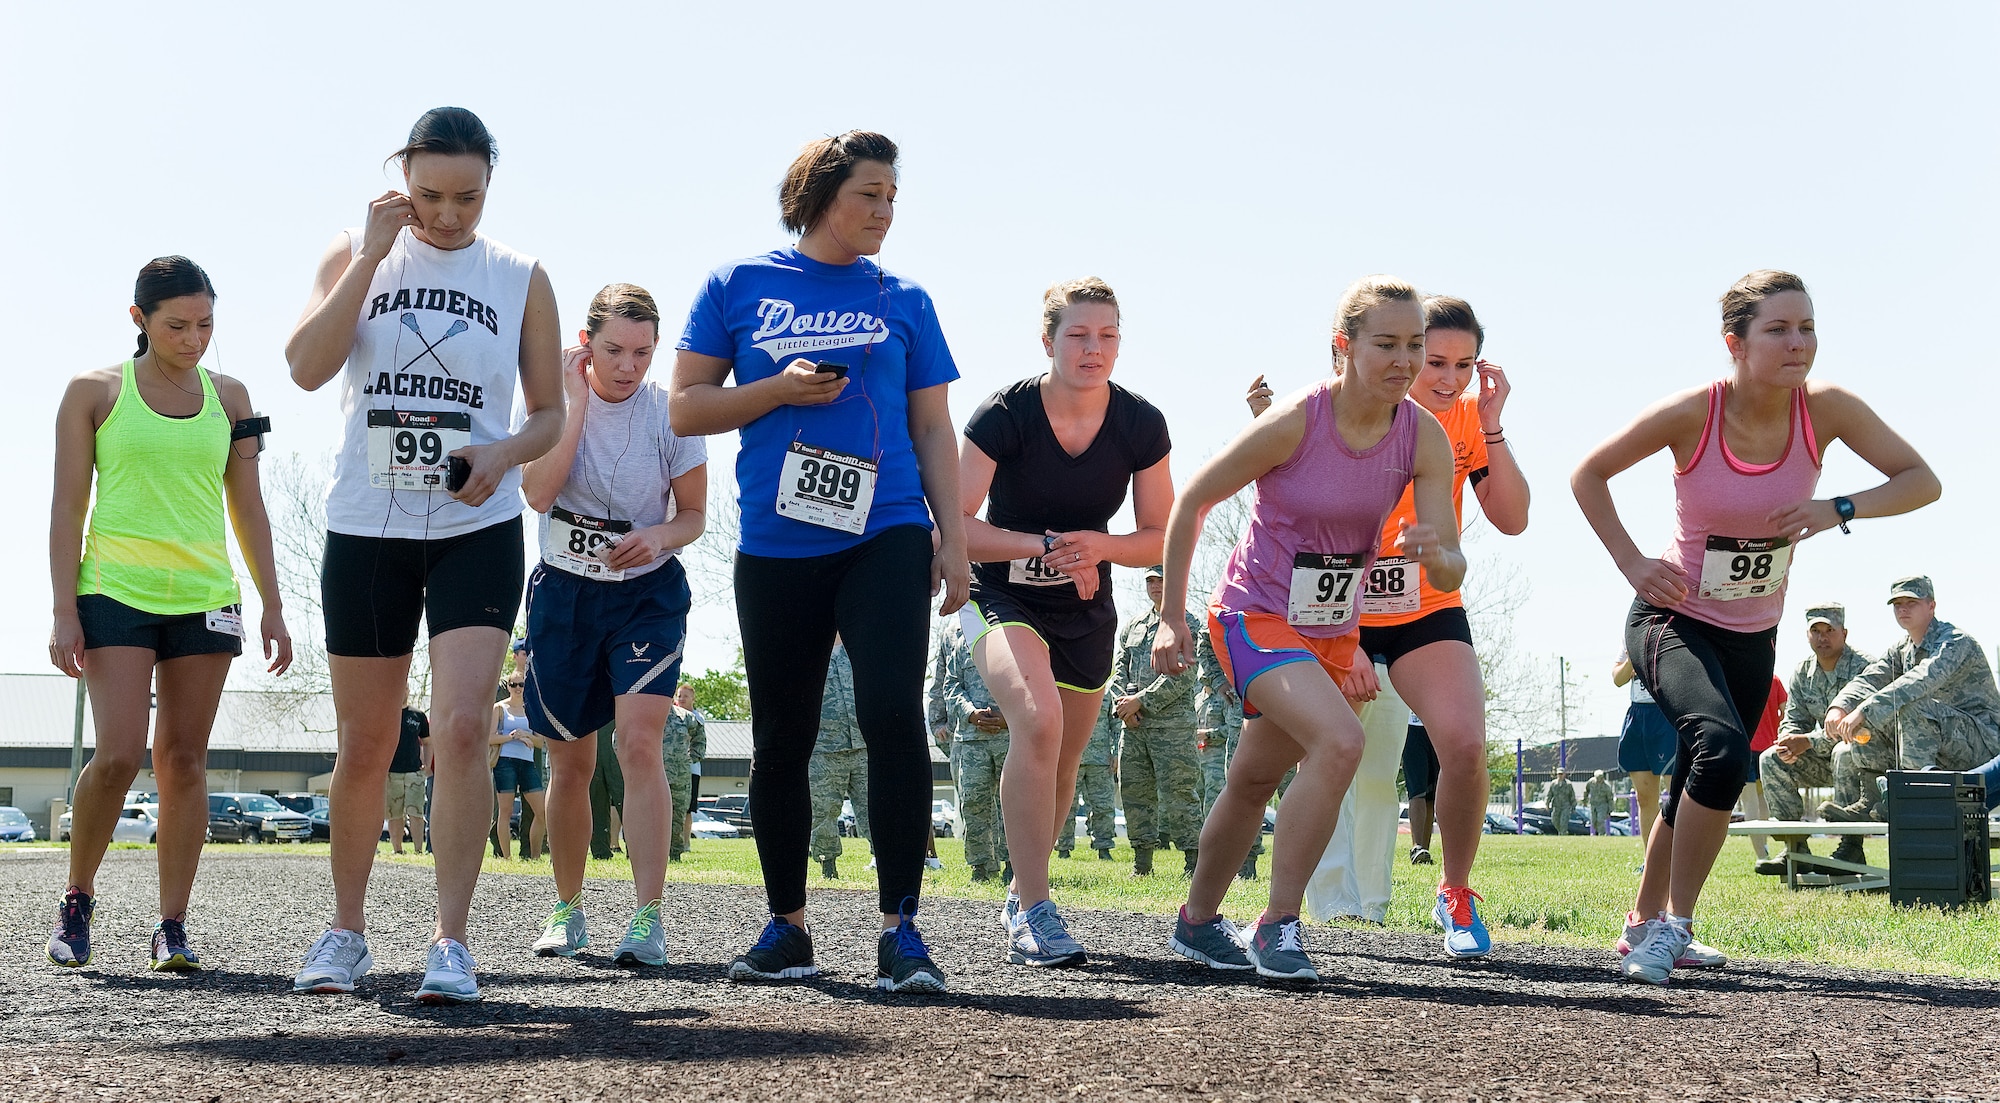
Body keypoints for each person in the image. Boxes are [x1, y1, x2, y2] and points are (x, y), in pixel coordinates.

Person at [1572, 269, 1939, 985]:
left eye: (1806, 327)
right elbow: (1589, 472)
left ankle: (1642, 923)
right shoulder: (1693, 413)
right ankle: (1674, 926)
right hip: (1673, 617)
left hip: (1752, 632)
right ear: (1735, 342)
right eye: (1778, 328)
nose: (1797, 342)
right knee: (1719, 746)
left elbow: (1920, 479)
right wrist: (1631, 561)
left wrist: (1838, 507)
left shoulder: (1824, 409)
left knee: (1697, 777)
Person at [670, 131, 966, 993]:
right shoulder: (739, 284)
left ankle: (901, 928)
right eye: (869, 195)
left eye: (892, 199)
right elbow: (686, 408)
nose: (883, 212)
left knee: (890, 715)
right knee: (783, 737)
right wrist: (778, 390)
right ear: (820, 195)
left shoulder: (906, 297)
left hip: (888, 530)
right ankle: (787, 926)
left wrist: (953, 541)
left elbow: (934, 428)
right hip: (778, 541)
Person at [286, 107, 563, 1003]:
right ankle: (348, 930)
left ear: (491, 183)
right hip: (367, 525)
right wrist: (368, 254)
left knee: (463, 728)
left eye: (467, 197)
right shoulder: (354, 251)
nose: (448, 215)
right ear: (403, 178)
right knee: (367, 741)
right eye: (430, 195)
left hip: (473, 527)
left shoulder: (520, 275)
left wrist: (507, 453)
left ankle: (451, 940)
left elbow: (550, 412)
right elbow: (304, 366)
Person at [1159, 276, 1465, 982]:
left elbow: (1450, 571)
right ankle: (1277, 925)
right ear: (1344, 347)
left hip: (1327, 628)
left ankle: (1197, 922)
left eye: (1415, 345)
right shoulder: (1299, 418)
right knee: (1342, 740)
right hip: (1252, 613)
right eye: (1386, 343)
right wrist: (1171, 618)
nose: (1405, 360)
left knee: (1253, 777)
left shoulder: (1423, 435)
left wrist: (1437, 553)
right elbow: (1195, 501)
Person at [47, 256, 293, 971]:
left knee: (183, 759)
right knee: (120, 753)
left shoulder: (232, 396)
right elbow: (67, 506)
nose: (194, 338)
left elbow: (249, 506)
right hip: (114, 591)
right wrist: (64, 607)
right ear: (139, 320)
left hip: (204, 598)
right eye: (177, 325)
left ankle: (172, 925)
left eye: (206, 324)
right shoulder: (92, 392)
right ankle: (78, 895)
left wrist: (273, 602)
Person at [1294, 295, 1530, 932]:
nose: (1450, 379)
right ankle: (1315, 904)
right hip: (1335, 602)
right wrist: (1342, 640)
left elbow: (1512, 519)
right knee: (1325, 753)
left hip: (1424, 606)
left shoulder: (1467, 421)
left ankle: (1448, 894)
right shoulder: (1346, 410)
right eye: (1436, 362)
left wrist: (1494, 422)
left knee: (1462, 746)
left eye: (1465, 364)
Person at [957, 276, 1173, 966]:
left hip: (1085, 601)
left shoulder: (1141, 423)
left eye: (1107, 335)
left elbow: (1159, 535)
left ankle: (1023, 895)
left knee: (1067, 753)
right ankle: (1039, 911)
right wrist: (1042, 546)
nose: (1093, 348)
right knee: (1038, 720)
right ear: (1047, 339)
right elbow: (954, 528)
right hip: (1001, 593)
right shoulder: (1004, 414)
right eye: (1078, 334)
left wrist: (1099, 547)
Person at [517, 281, 707, 967]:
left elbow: (693, 516)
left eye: (643, 352)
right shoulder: (550, 401)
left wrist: (656, 536)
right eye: (614, 350)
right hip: (565, 595)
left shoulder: (670, 414)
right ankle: (568, 908)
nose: (629, 366)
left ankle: (648, 916)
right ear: (584, 346)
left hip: (645, 595)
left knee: (639, 743)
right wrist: (571, 405)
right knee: (570, 759)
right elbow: (538, 492)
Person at [1826, 577, 2000, 778]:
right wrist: (1840, 706)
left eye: (1912, 603)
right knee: (1861, 732)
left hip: (1982, 746)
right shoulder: (1902, 650)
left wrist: (1864, 710)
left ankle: (1916, 799)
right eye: (1897, 604)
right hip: (1937, 743)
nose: (1903, 609)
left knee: (1909, 707)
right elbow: (1870, 679)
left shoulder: (1955, 641)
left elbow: (1921, 679)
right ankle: (1874, 804)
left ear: (1931, 606)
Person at [1759, 603, 1879, 872]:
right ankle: (1795, 849)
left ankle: (1851, 849)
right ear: (1808, 634)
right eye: (1816, 630)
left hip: (1865, 760)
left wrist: (1809, 741)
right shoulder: (1803, 673)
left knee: (1844, 752)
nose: (1823, 637)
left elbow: (1862, 732)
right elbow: (1793, 717)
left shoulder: (1865, 668)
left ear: (1844, 633)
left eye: (1830, 630)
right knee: (1770, 759)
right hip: (1823, 760)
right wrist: (1787, 742)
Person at [1115, 568, 1205, 878]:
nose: (1155, 586)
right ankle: (1142, 865)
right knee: (1135, 795)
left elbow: (1184, 675)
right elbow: (1117, 671)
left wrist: (1140, 701)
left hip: (1173, 729)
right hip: (1134, 727)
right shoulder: (1133, 627)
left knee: (1179, 795)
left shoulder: (1190, 625)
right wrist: (1125, 706)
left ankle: (1193, 865)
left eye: (1162, 579)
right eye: (1150, 581)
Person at [943, 624, 1011, 881]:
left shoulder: (1016, 635)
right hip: (971, 739)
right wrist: (970, 713)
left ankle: (1014, 865)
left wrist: (1010, 718)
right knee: (973, 801)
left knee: (1013, 803)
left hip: (1010, 734)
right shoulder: (964, 642)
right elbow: (951, 685)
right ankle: (981, 866)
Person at [1193, 614, 1252, 877]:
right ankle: (1244, 865)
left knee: (1292, 785)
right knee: (1243, 786)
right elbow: (1205, 642)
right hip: (1241, 710)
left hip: (1289, 700)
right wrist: (1219, 681)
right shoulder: (1231, 598)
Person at [810, 639, 871, 879]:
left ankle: (885, 862)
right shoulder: (810, 649)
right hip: (824, 747)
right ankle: (828, 865)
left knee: (874, 808)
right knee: (824, 810)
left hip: (864, 743)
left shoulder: (861, 647)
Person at [1612, 648, 1675, 845]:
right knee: (1645, 797)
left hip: (1666, 714)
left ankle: (1678, 859)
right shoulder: (1629, 635)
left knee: (1677, 796)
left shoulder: (1672, 628)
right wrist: (1632, 659)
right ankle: (1651, 860)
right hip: (1638, 715)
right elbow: (1617, 678)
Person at [1057, 691, 1121, 860]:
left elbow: (1115, 725)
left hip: (1100, 760)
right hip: (1070, 758)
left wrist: (1116, 753)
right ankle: (1063, 848)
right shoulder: (1063, 691)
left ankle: (1104, 847)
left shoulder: (1106, 693)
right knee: (1065, 806)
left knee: (1103, 806)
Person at [491, 675, 547, 859]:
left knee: (541, 812)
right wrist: (513, 736)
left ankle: (535, 856)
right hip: (505, 762)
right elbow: (490, 738)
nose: (517, 688)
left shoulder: (532, 708)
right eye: (513, 684)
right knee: (505, 812)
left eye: (521, 684)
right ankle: (507, 857)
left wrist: (527, 735)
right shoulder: (499, 708)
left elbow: (540, 742)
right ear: (508, 686)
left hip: (527, 763)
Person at [666, 683, 707, 862]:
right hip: (651, 776)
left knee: (678, 815)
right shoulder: (647, 715)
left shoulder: (685, 717)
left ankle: (675, 853)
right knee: (648, 815)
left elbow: (700, 735)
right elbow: (619, 736)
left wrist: (693, 757)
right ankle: (641, 853)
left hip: (680, 776)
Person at [389, 701, 430, 854]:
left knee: (416, 812)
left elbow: (427, 741)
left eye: (406, 688)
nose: (403, 691)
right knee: (395, 813)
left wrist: (427, 764)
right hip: (392, 772)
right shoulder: (387, 712)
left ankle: (418, 850)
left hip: (414, 772)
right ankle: (397, 849)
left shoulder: (418, 715)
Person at [1401, 716, 1441, 862]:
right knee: (1417, 791)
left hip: (1436, 725)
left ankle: (1424, 849)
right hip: (1412, 728)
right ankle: (1417, 846)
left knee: (1432, 793)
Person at [588, 719, 624, 860]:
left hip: (615, 742)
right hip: (594, 741)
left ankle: (636, 850)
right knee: (596, 801)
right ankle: (600, 851)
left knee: (624, 798)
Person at [1541, 770, 1577, 835]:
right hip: (1556, 806)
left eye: (1561, 774)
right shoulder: (1553, 784)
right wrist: (1547, 804)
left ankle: (1563, 834)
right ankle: (1562, 832)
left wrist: (1573, 806)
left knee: (1563, 822)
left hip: (1565, 806)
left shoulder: (1568, 784)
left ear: (1564, 774)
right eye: (1558, 774)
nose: (1560, 776)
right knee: (1554, 820)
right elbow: (1549, 794)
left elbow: (1572, 796)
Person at [1584, 770, 1616, 836]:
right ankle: (1599, 832)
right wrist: (1585, 801)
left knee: (1600, 820)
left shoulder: (1607, 786)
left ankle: (1602, 834)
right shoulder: (1591, 782)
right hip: (1593, 805)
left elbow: (1610, 799)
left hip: (1602, 805)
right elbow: (1586, 791)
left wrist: (1610, 811)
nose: (1599, 780)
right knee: (1593, 822)